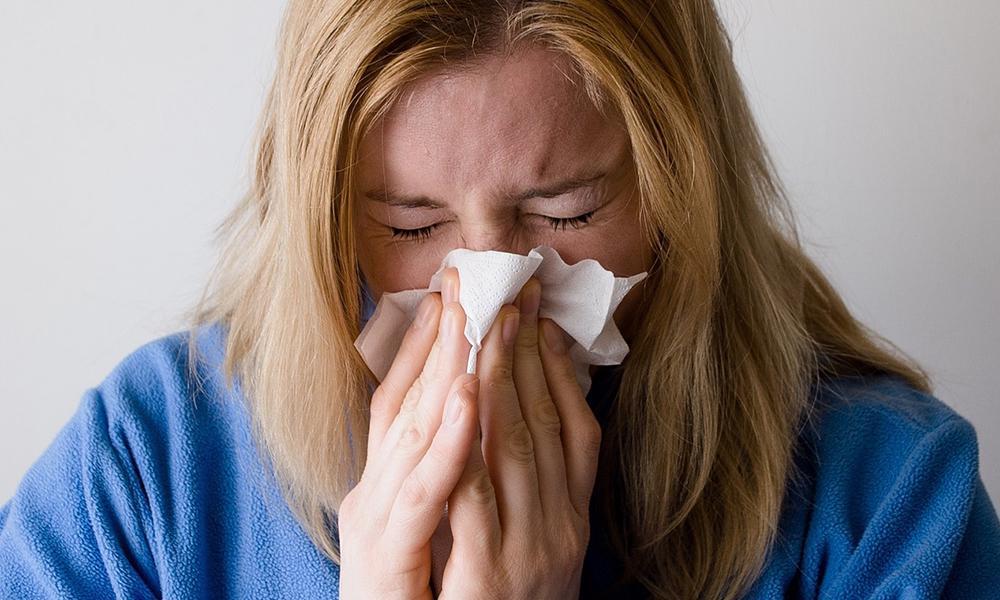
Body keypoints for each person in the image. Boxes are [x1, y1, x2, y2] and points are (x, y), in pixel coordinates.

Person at [2, 0, 999, 598]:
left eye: (565, 211)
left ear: (678, 187)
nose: (488, 297)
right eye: (404, 224)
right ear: (320, 214)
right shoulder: (141, 477)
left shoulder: (884, 502)